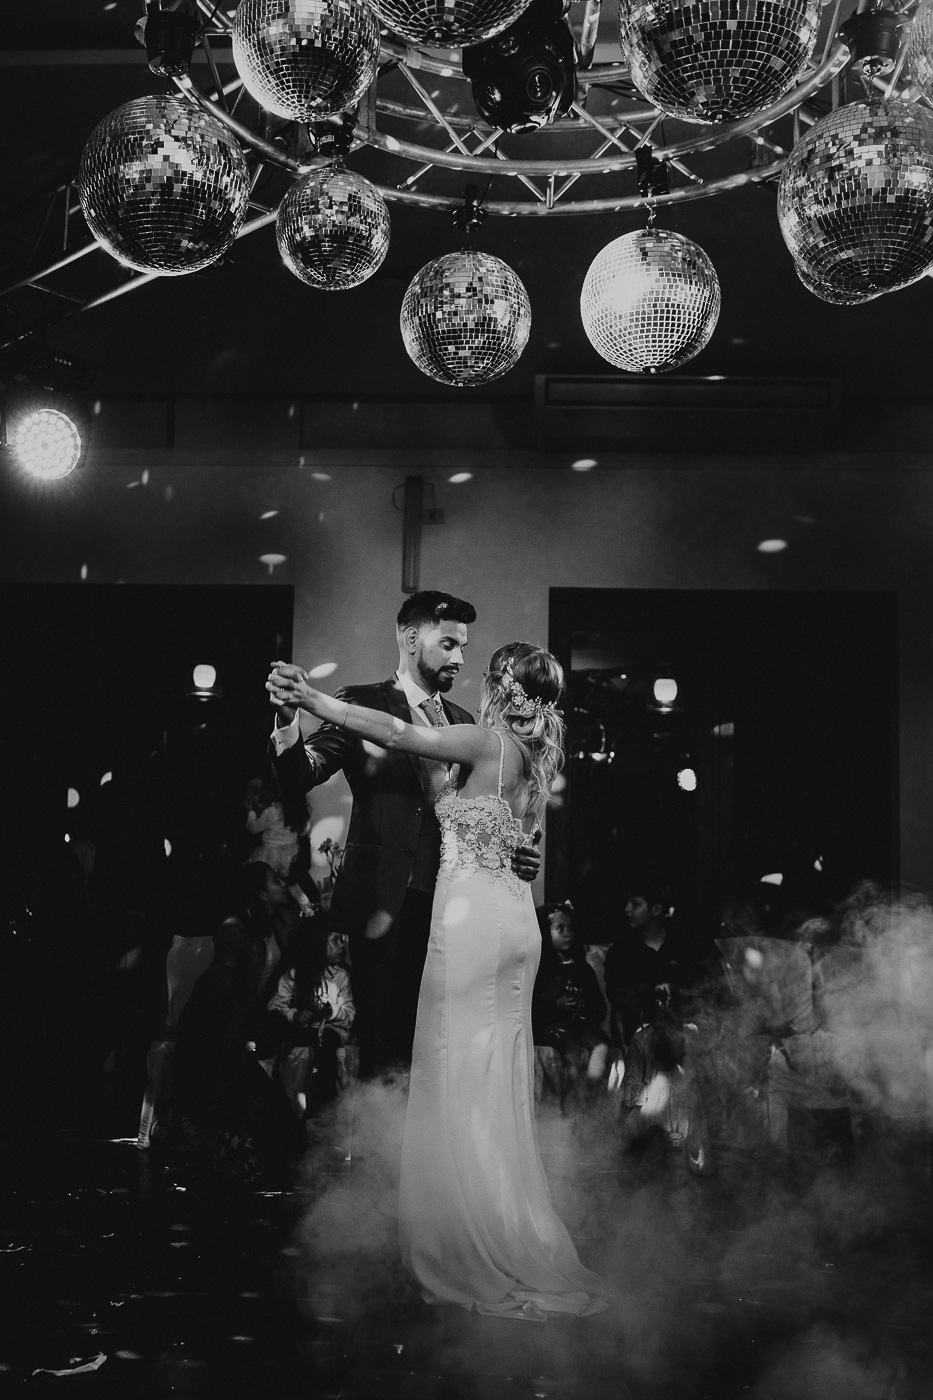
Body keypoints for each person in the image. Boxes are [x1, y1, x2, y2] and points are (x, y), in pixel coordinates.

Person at [269, 640, 606, 1320]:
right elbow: (527, 850)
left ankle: (463, 1232)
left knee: (456, 1067)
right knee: (493, 1074)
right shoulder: (537, 757)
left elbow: (396, 732)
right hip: (515, 923)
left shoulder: (485, 741)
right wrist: (523, 853)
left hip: (473, 923)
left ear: (500, 684)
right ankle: (499, 1216)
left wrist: (313, 699)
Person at [269, 590, 540, 1075]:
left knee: (441, 1049)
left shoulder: (463, 722)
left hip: (453, 909)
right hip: (383, 905)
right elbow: (299, 775)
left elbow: (482, 817)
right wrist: (288, 720)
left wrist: (514, 853)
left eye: (463, 647)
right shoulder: (360, 703)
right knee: (384, 1051)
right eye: (448, 644)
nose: (459, 658)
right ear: (412, 639)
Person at [264, 916, 355, 1118]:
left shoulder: (341, 977)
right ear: (317, 943)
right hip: (306, 1032)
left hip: (332, 1031)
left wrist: (331, 1012)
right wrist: (294, 1014)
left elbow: (350, 1014)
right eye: (335, 940)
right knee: (292, 1042)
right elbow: (275, 1005)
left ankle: (323, 1105)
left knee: (328, 1044)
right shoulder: (295, 974)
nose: (342, 946)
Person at [532, 902, 609, 1110]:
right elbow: (533, 1007)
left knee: (600, 1044)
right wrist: (556, 1005)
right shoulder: (542, 970)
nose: (568, 933)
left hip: (582, 1025)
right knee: (571, 1045)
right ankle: (572, 1102)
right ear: (545, 932)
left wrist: (585, 1006)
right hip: (553, 1028)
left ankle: (591, 1091)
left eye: (570, 928)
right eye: (560, 928)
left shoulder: (582, 968)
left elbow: (599, 1006)